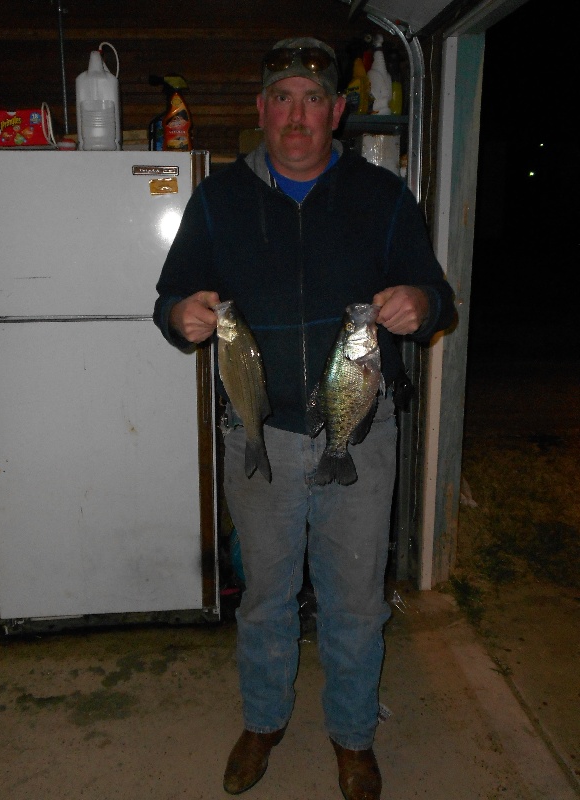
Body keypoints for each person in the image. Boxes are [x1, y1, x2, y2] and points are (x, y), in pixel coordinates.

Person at [154, 36, 456, 800]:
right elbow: (170, 297)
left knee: (355, 598)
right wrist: (179, 314)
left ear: (339, 112)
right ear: (261, 109)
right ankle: (264, 721)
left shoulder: (383, 197)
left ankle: (353, 736)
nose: (297, 115)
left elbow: (435, 297)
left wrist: (420, 303)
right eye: (282, 98)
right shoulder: (219, 199)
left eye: (313, 99)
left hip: (360, 433)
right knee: (265, 595)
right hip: (258, 435)